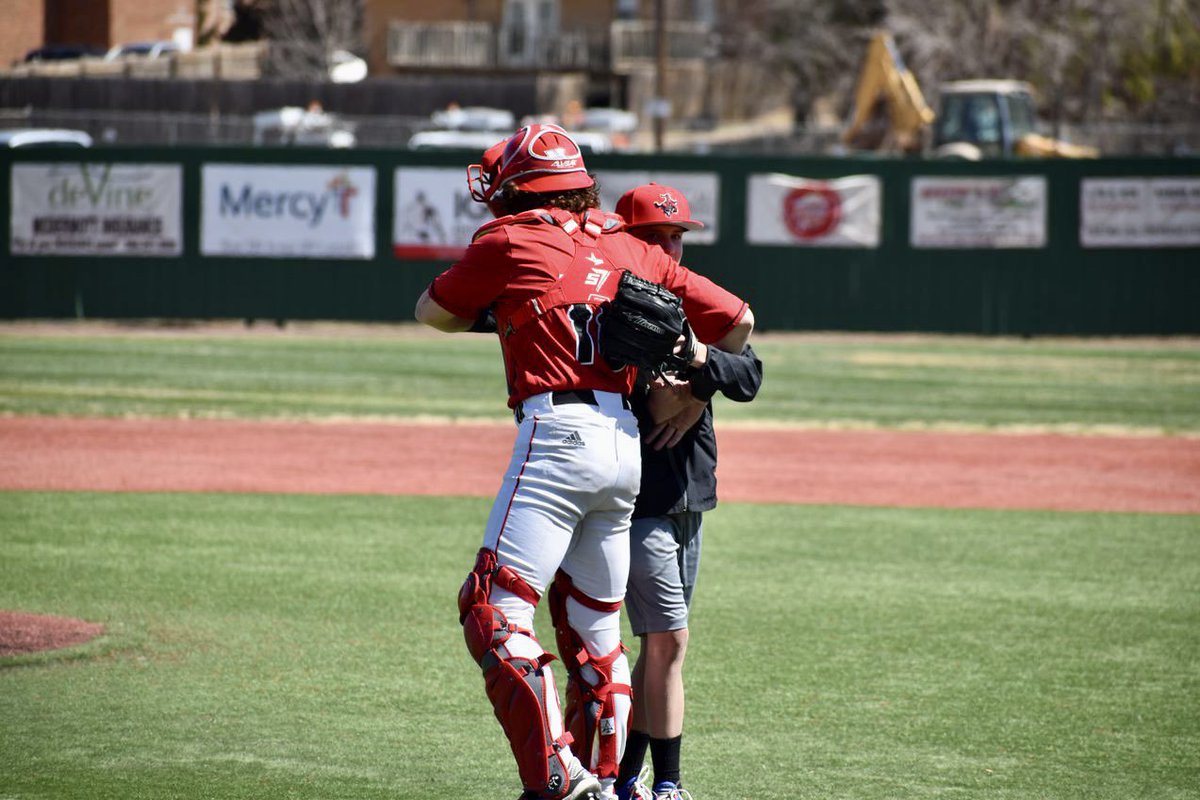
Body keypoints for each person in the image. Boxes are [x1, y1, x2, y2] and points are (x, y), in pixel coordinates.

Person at [413, 126, 754, 800]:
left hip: (556, 434)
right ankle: (605, 781)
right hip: (624, 447)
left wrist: (517, 306)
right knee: (597, 630)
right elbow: (739, 323)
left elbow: (434, 313)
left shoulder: (508, 240)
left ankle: (558, 779)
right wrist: (693, 384)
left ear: (515, 188)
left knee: (493, 610)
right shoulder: (630, 244)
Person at [611, 184, 763, 800]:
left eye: (677, 236)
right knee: (668, 640)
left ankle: (628, 779)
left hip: (690, 501)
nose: (671, 247)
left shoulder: (690, 304)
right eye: (657, 237)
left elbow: (750, 372)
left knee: (659, 651)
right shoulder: (612, 306)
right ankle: (666, 783)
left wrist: (701, 380)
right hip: (639, 501)